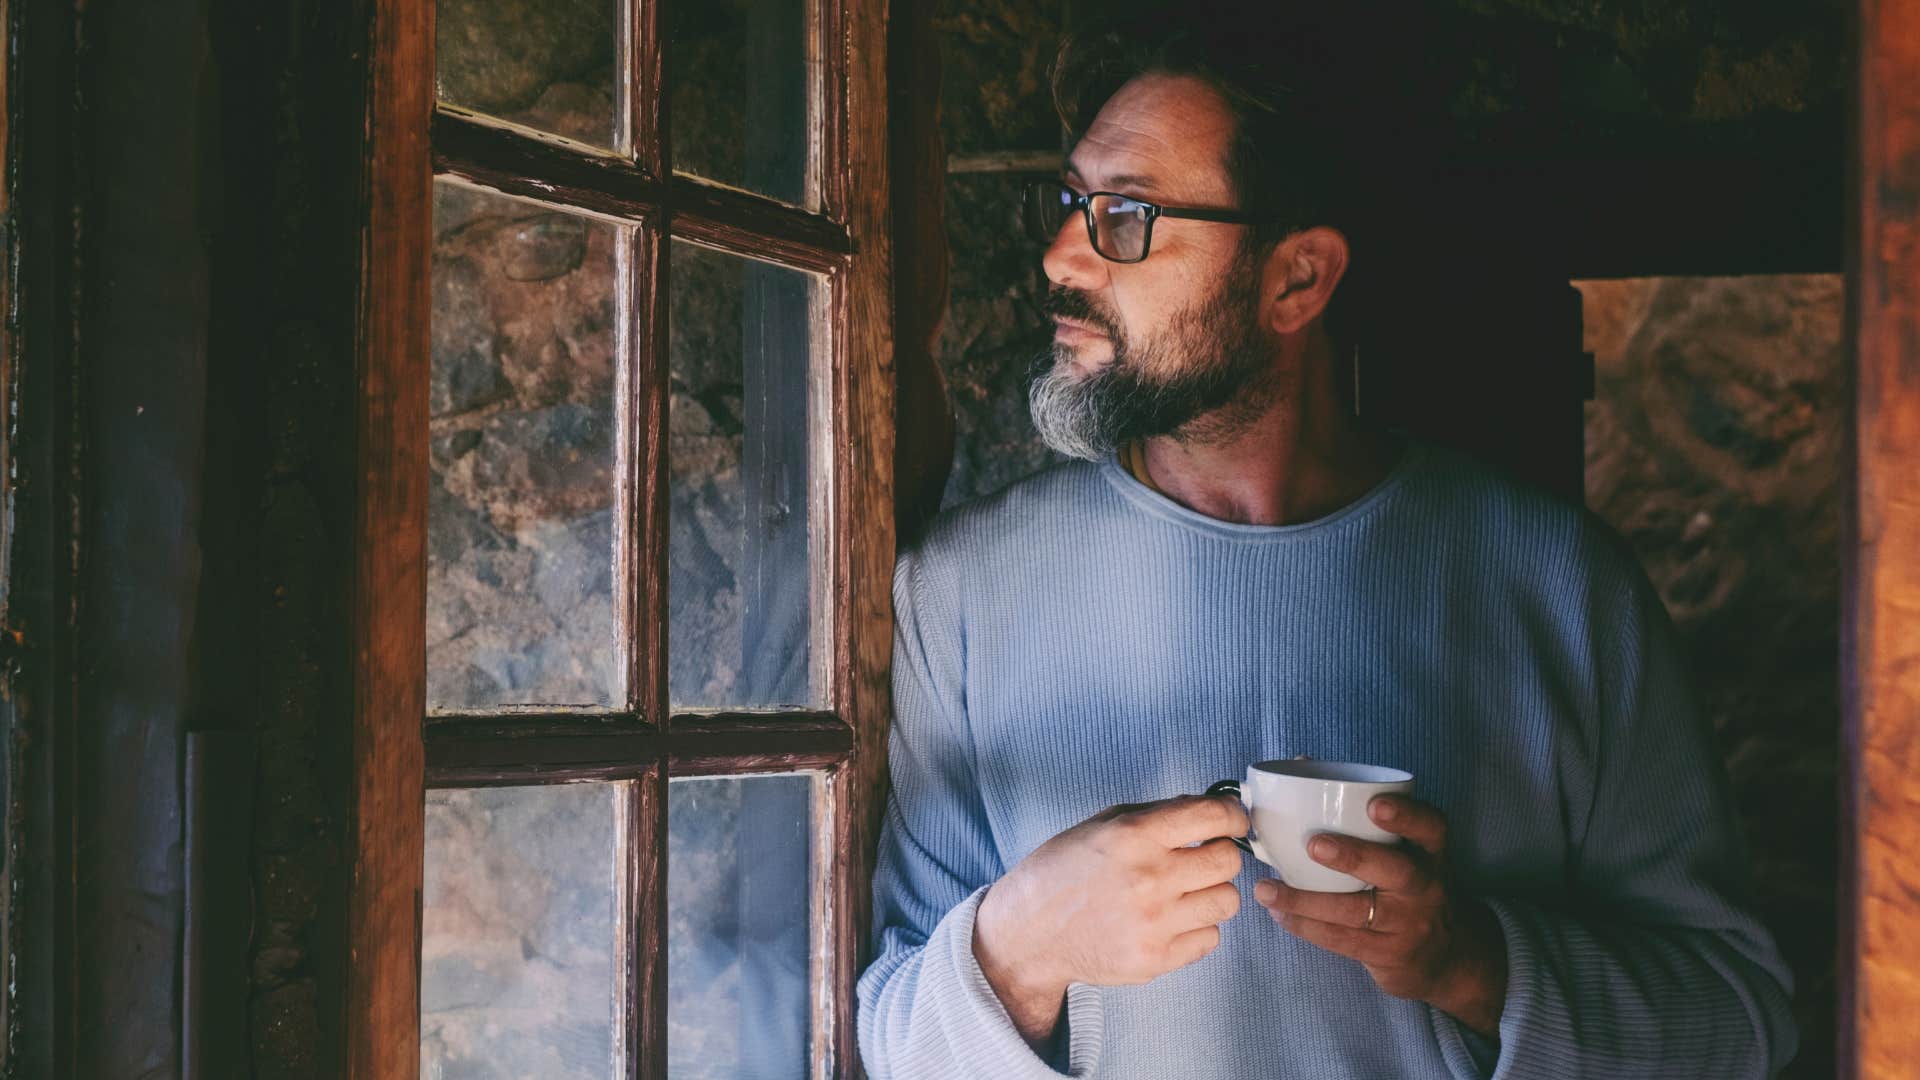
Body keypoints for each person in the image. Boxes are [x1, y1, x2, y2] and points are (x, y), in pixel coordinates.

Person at [856, 9, 1797, 1079]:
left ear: (1297, 279)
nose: (1060, 257)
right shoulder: (965, 588)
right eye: (1072, 203)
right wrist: (1021, 950)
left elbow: (1744, 1023)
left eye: (1125, 215)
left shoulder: (1562, 583)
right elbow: (890, 1040)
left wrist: (1476, 963)